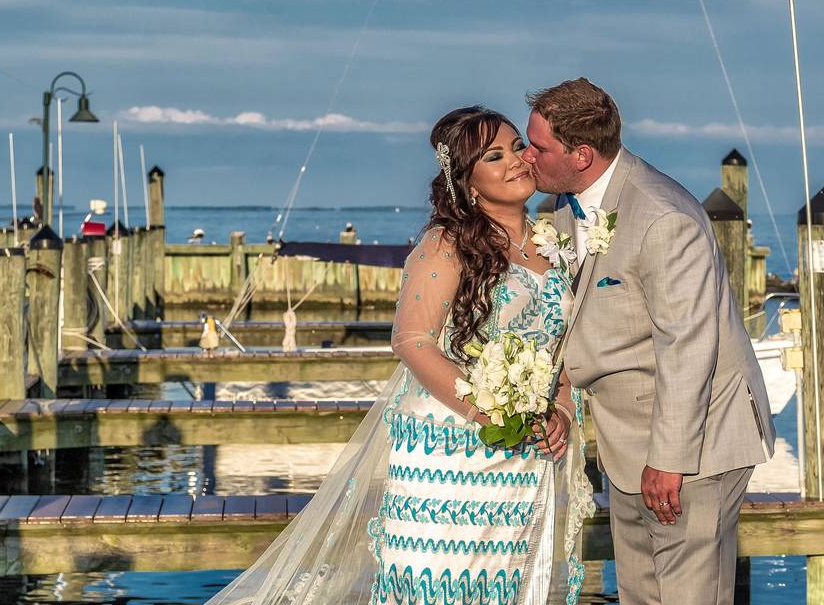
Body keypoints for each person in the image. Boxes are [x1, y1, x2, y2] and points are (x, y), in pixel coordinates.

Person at [206, 106, 594, 605]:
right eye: (494, 156)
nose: (516, 161)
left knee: (508, 584)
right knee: (443, 584)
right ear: (467, 182)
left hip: (527, 456)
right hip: (452, 448)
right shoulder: (445, 244)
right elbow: (411, 341)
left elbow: (559, 345)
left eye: (518, 146)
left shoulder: (555, 246)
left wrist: (559, 409)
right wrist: (493, 412)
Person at [522, 78, 775, 604]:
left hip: (692, 449)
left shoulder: (663, 218)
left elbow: (689, 345)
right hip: (626, 444)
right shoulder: (568, 206)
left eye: (538, 146)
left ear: (582, 154)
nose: (528, 156)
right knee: (642, 595)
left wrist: (669, 460)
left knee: (689, 595)